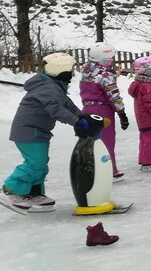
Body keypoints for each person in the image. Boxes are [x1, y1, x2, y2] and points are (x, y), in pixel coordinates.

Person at [3, 53, 91, 213]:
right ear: (62, 70)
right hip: (28, 130)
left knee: (41, 164)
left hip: (38, 131)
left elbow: (67, 105)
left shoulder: (54, 85)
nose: (72, 73)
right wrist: (76, 121)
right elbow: (56, 109)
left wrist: (83, 116)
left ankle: (33, 193)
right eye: (70, 70)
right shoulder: (47, 88)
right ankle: (11, 189)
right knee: (35, 163)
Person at [79, 41, 129, 181]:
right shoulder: (105, 75)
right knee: (106, 140)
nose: (112, 60)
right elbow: (114, 96)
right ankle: (108, 170)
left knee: (92, 140)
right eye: (111, 58)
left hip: (87, 109)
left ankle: (93, 169)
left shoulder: (86, 71)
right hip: (102, 110)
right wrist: (122, 113)